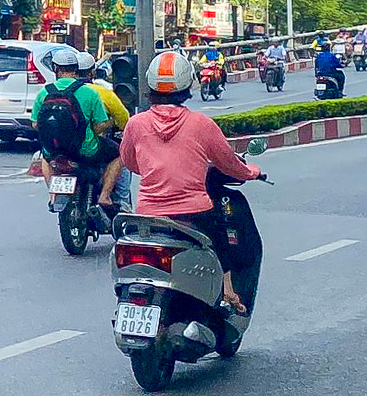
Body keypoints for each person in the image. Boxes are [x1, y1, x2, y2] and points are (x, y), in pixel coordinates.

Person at [97, 50, 265, 313]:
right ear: (187, 85)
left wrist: (156, 169)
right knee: (224, 243)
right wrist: (251, 171)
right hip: (193, 213)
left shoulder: (136, 124)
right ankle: (229, 293)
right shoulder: (201, 124)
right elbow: (230, 165)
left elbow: (129, 161)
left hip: (148, 215)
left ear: (150, 85)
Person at [34, 48, 123, 179]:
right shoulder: (90, 93)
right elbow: (101, 124)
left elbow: (36, 124)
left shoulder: (44, 92)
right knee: (118, 155)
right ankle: (105, 195)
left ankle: (53, 196)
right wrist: (109, 124)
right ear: (76, 69)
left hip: (54, 149)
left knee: (45, 159)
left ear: (55, 68)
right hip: (85, 150)